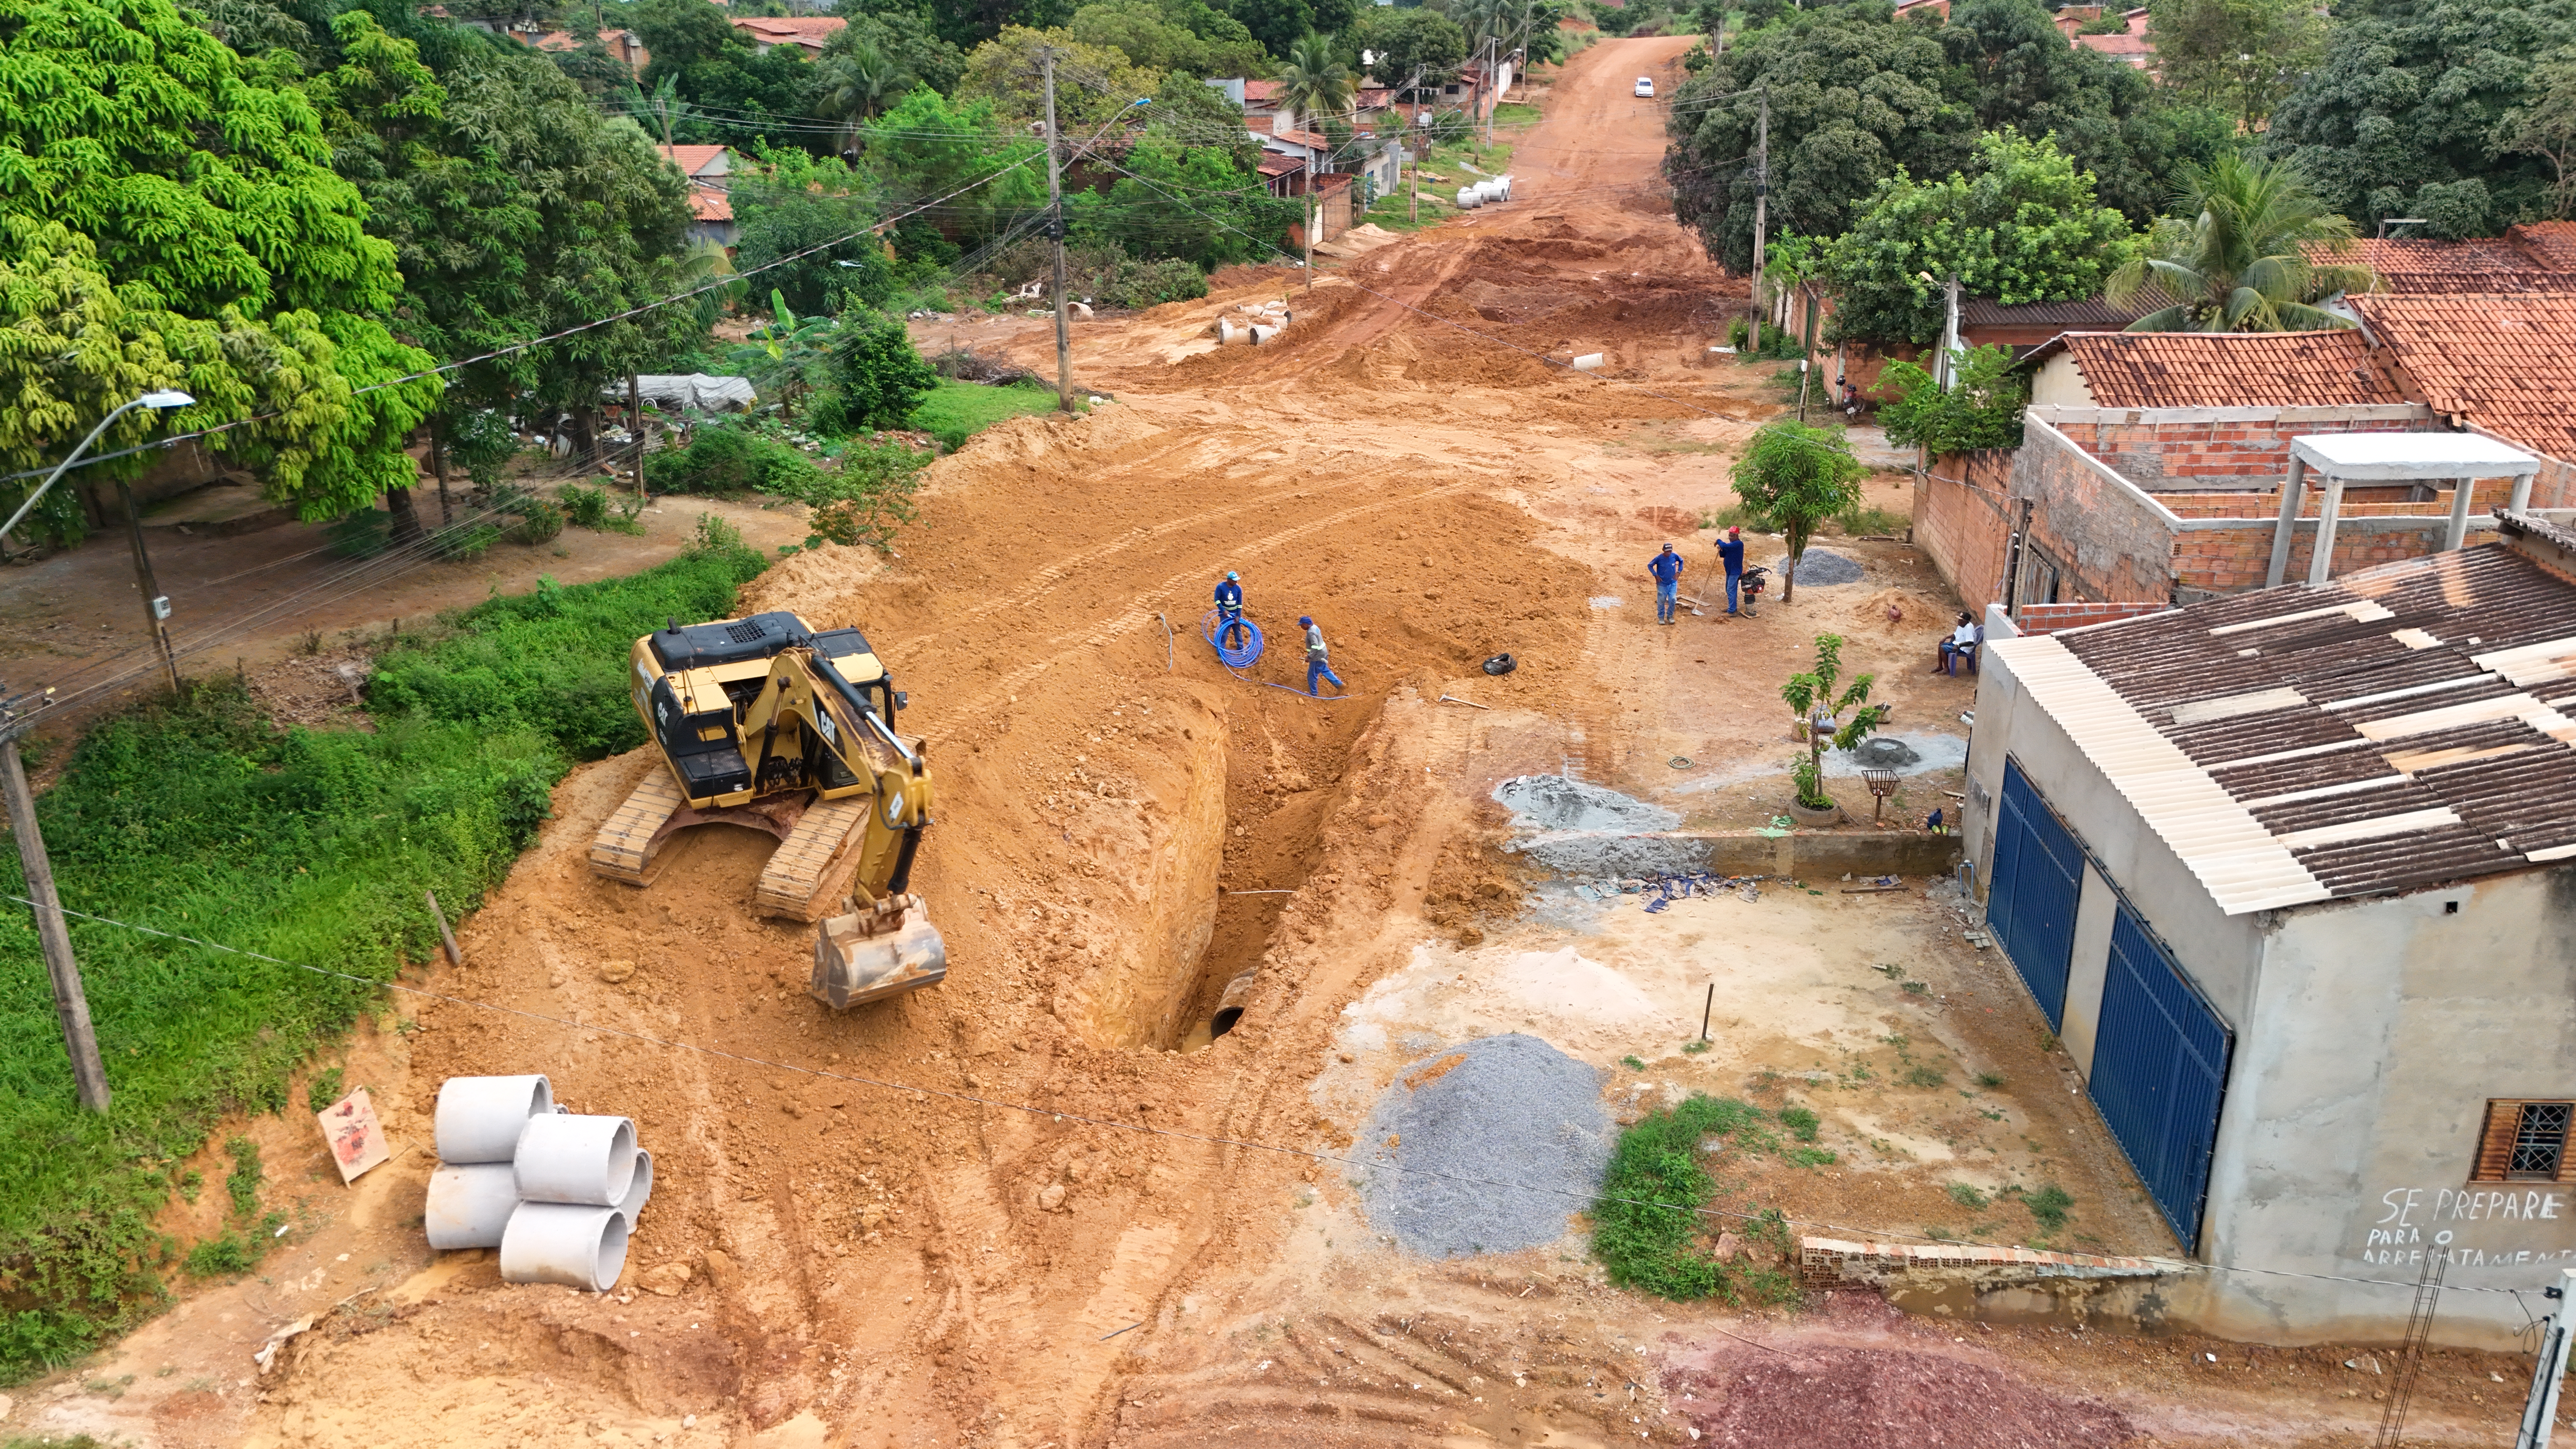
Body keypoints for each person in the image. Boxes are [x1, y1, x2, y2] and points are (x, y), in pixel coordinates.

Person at [1300, 615, 1345, 696]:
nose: (1301, 627)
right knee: (1324, 669)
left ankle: (1314, 693)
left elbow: (1315, 646)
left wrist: (1309, 657)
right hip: (1323, 653)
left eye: (1302, 625)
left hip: (1317, 656)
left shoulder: (1311, 633)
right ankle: (1339, 685)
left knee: (1312, 674)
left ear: (1306, 625)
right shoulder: (1315, 627)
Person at [1648, 543, 1685, 625]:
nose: (1669, 553)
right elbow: (1650, 565)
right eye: (1667, 551)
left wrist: (1679, 572)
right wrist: (1655, 575)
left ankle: (1670, 616)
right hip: (1662, 584)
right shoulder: (1659, 558)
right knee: (1661, 601)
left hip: (1673, 583)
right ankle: (1661, 618)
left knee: (1673, 599)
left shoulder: (1674, 556)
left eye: (1670, 551)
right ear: (1663, 551)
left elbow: (1681, 561)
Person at [1937, 611, 1980, 675]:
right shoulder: (1961, 625)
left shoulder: (1969, 627)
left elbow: (1971, 642)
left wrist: (1959, 645)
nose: (1959, 622)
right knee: (1940, 645)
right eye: (1959, 620)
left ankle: (1946, 669)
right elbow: (1955, 635)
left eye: (1961, 620)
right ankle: (1940, 667)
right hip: (1958, 644)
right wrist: (1946, 638)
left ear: (1966, 621)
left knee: (1943, 648)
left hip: (1965, 648)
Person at [1715, 526, 1746, 615]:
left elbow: (1725, 545)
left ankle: (1732, 611)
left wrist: (1719, 541)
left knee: (1731, 590)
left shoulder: (1738, 544)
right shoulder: (1731, 546)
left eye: (1732, 536)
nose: (1730, 538)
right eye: (1729, 536)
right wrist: (1721, 550)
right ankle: (1732, 608)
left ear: (1737, 536)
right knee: (1728, 589)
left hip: (1735, 571)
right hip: (1729, 571)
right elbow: (1723, 554)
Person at [1214, 570, 1246, 649]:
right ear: (1229, 580)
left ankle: (1241, 649)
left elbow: (1239, 604)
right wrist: (1223, 610)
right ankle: (1221, 651)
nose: (1236, 582)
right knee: (1224, 633)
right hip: (1225, 615)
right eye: (1235, 580)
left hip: (1235, 614)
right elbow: (1217, 600)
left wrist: (1238, 616)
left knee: (1238, 632)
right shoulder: (1221, 587)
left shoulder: (1238, 589)